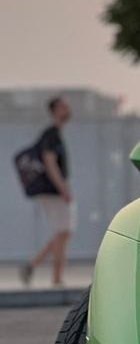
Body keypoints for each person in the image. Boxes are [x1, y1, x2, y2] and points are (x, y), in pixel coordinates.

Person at [19, 97, 74, 287]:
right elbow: (50, 162)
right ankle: (55, 278)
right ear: (55, 110)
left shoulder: (55, 133)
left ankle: (32, 266)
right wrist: (63, 188)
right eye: (64, 106)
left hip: (54, 191)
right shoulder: (51, 134)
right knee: (64, 231)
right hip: (52, 191)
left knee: (63, 233)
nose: (68, 109)